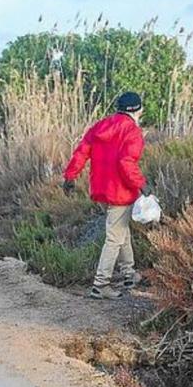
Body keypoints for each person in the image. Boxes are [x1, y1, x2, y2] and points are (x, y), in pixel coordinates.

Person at [62, 91, 150, 299]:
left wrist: (70, 176)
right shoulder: (132, 131)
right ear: (137, 110)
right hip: (121, 192)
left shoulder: (100, 126)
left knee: (120, 230)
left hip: (101, 189)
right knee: (114, 238)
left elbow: (82, 152)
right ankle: (100, 286)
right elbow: (126, 162)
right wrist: (142, 184)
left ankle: (129, 274)